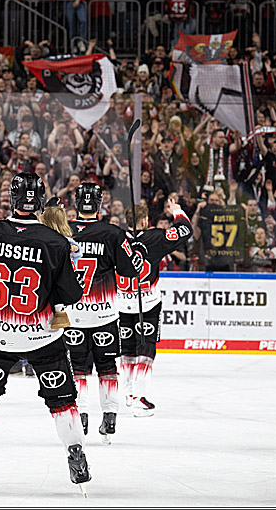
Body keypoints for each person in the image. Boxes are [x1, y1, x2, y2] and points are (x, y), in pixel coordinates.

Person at [0, 172, 91, 495]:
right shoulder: (55, 242)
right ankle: (76, 455)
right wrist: (72, 265)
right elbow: (70, 296)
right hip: (43, 337)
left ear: (11, 199)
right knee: (62, 401)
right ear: (40, 201)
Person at [63, 183, 148, 443]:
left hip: (73, 315)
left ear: (76, 202)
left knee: (78, 368)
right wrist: (137, 252)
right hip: (106, 315)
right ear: (100, 204)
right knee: (107, 367)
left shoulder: (62, 232)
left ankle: (82, 415)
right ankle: (110, 417)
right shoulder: (114, 233)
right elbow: (131, 272)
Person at [117, 195, 193, 416]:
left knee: (128, 348)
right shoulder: (154, 237)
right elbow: (185, 229)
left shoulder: (116, 238)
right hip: (147, 302)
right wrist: (176, 210)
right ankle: (140, 395)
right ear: (144, 221)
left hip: (122, 302)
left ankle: (129, 393)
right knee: (146, 346)